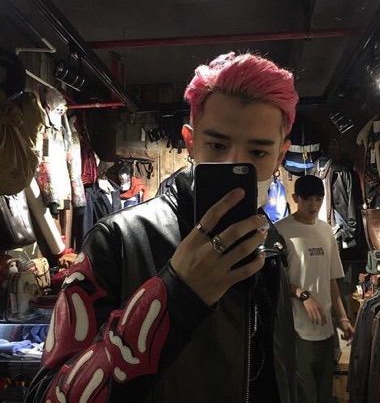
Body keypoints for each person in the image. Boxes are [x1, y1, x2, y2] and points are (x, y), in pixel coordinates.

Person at [26, 52, 299, 403]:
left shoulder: (270, 245)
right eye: (217, 145)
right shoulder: (118, 241)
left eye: (258, 153)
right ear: (190, 142)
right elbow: (48, 395)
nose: (233, 163)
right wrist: (177, 294)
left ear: (280, 156)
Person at [275, 175, 355, 403]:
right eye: (308, 199)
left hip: (326, 329)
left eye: (319, 199)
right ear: (295, 198)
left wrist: (343, 319)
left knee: (325, 393)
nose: (314, 205)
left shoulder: (326, 231)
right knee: (304, 394)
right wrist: (303, 294)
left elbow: (331, 280)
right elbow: (274, 281)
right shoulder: (281, 231)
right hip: (296, 329)